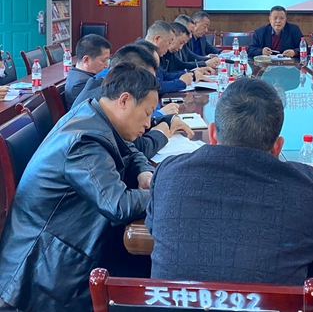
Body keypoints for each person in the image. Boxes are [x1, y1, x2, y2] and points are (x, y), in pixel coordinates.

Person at [146, 78, 313, 284]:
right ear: (277, 147)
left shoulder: (169, 173)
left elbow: (154, 227)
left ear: (212, 134)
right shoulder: (304, 184)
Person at [0, 63, 159, 312]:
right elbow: (119, 206)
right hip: (43, 275)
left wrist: (144, 172)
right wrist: (164, 191)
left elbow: (130, 149)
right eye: (147, 113)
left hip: (66, 252)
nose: (148, 123)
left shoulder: (93, 114)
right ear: (125, 100)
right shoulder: (84, 141)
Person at [73, 42, 193, 159]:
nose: (152, 84)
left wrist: (166, 120)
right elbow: (135, 149)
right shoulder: (102, 101)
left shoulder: (107, 88)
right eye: (147, 80)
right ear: (131, 74)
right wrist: (161, 134)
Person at [145, 20, 199, 95]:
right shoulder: (140, 56)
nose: (168, 47)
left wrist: (192, 75)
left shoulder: (151, 52)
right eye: (169, 43)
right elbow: (156, 87)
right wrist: (181, 83)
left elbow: (164, 75)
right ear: (157, 39)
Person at [64, 34, 112, 108]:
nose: (106, 65)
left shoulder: (77, 72)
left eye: (108, 60)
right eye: (103, 61)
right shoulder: (80, 84)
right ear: (86, 60)